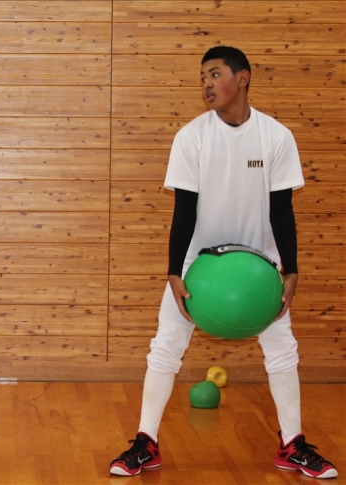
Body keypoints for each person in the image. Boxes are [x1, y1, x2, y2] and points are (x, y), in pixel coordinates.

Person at [109, 46, 338, 479]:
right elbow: (184, 210)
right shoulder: (192, 137)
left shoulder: (275, 136)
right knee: (166, 346)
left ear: (242, 78)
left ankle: (292, 444)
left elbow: (282, 209)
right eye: (203, 77)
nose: (207, 84)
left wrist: (290, 269)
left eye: (215, 74)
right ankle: (145, 442)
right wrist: (174, 272)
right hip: (198, 266)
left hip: (260, 267)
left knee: (282, 348)